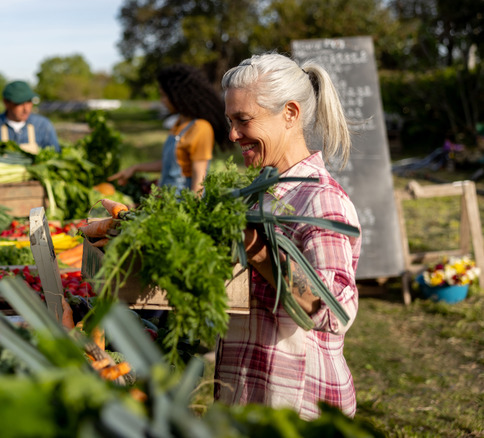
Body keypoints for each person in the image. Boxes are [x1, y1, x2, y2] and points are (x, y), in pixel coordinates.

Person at [213, 52, 361, 420]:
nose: (232, 134)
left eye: (243, 120)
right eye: (230, 121)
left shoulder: (319, 199)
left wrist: (259, 252)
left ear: (290, 114)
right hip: (249, 392)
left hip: (295, 404)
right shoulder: (259, 191)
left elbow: (335, 312)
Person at [108, 64, 229, 194]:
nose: (162, 101)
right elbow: (170, 165)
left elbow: (199, 177)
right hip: (167, 201)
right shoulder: (179, 123)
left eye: (164, 95)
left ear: (178, 95)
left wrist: (193, 209)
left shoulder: (201, 128)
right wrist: (135, 168)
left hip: (182, 204)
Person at [0, 80, 60, 153]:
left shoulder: (43, 125)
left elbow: (55, 156)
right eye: (20, 103)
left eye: (29, 102)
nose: (26, 109)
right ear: (6, 103)